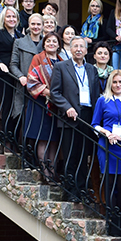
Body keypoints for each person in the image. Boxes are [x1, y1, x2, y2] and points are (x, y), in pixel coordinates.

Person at [50, 36, 100, 198]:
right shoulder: (60, 67)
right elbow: (54, 92)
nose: (79, 49)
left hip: (87, 116)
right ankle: (70, 191)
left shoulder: (92, 69)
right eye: (75, 46)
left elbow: (96, 95)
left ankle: (82, 190)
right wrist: (67, 108)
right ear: (70, 49)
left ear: (86, 50)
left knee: (83, 155)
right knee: (70, 155)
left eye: (82, 46)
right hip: (69, 117)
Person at [92, 69, 121, 235]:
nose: (118, 85)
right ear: (110, 84)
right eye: (115, 82)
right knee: (109, 183)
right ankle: (111, 222)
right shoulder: (103, 100)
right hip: (107, 146)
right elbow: (95, 124)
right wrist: (107, 133)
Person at [21, 32, 61, 176]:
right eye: (48, 41)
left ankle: (53, 171)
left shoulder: (62, 61)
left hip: (57, 106)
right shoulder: (38, 58)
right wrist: (49, 92)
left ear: (59, 45)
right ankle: (45, 172)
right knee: (43, 138)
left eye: (54, 41)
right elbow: (31, 81)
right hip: (41, 103)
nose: (51, 44)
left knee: (54, 139)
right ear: (43, 44)